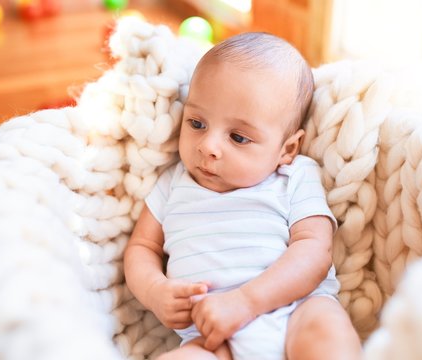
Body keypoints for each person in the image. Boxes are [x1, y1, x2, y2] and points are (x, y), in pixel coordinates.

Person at [124, 32, 362, 360]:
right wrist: (154, 290)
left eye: (238, 137)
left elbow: (315, 251)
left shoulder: (294, 176)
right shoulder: (174, 182)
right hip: (213, 336)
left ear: (287, 149)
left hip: (297, 310)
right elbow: (142, 247)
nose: (208, 146)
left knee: (327, 337)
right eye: (196, 123)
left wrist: (246, 301)